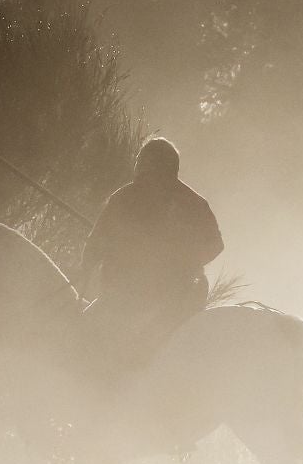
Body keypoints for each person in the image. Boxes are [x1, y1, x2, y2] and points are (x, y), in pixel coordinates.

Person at [80, 136, 223, 363]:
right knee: (84, 334)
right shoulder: (127, 197)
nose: (142, 171)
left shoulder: (191, 204)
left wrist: (179, 261)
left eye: (145, 164)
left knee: (86, 341)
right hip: (125, 293)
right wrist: (85, 271)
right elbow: (96, 242)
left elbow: (214, 245)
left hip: (167, 298)